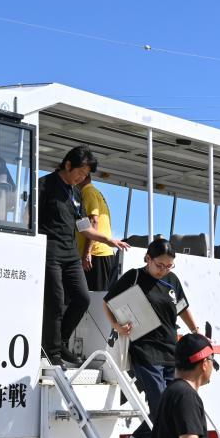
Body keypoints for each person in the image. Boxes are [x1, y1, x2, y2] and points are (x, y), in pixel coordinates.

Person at [104, 239, 201, 438]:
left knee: (171, 405)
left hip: (170, 350)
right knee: (160, 403)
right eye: (160, 265)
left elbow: (182, 308)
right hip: (145, 350)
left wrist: (195, 330)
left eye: (169, 266)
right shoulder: (134, 277)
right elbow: (107, 302)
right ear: (148, 258)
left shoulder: (172, 280)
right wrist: (117, 327)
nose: (164, 270)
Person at [39, 146, 129, 367]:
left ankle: (58, 342)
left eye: (85, 174)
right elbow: (29, 217)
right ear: (68, 165)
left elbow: (83, 227)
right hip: (50, 251)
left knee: (82, 298)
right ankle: (52, 353)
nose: (81, 177)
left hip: (70, 254)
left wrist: (109, 240)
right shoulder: (44, 185)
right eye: (80, 172)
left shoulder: (76, 193)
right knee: (55, 302)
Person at [76, 174, 117, 291]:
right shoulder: (95, 192)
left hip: (96, 254)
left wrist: (87, 253)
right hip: (102, 253)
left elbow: (93, 221)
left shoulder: (87, 192)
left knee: (93, 297)